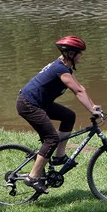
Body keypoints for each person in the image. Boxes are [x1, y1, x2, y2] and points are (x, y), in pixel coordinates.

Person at [16, 35, 101, 193]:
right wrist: (92, 110)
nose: (81, 55)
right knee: (51, 138)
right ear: (70, 54)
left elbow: (79, 87)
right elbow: (77, 91)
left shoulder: (65, 67)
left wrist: (93, 105)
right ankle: (32, 177)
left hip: (40, 103)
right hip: (28, 104)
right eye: (79, 53)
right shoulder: (59, 69)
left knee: (69, 116)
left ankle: (59, 156)